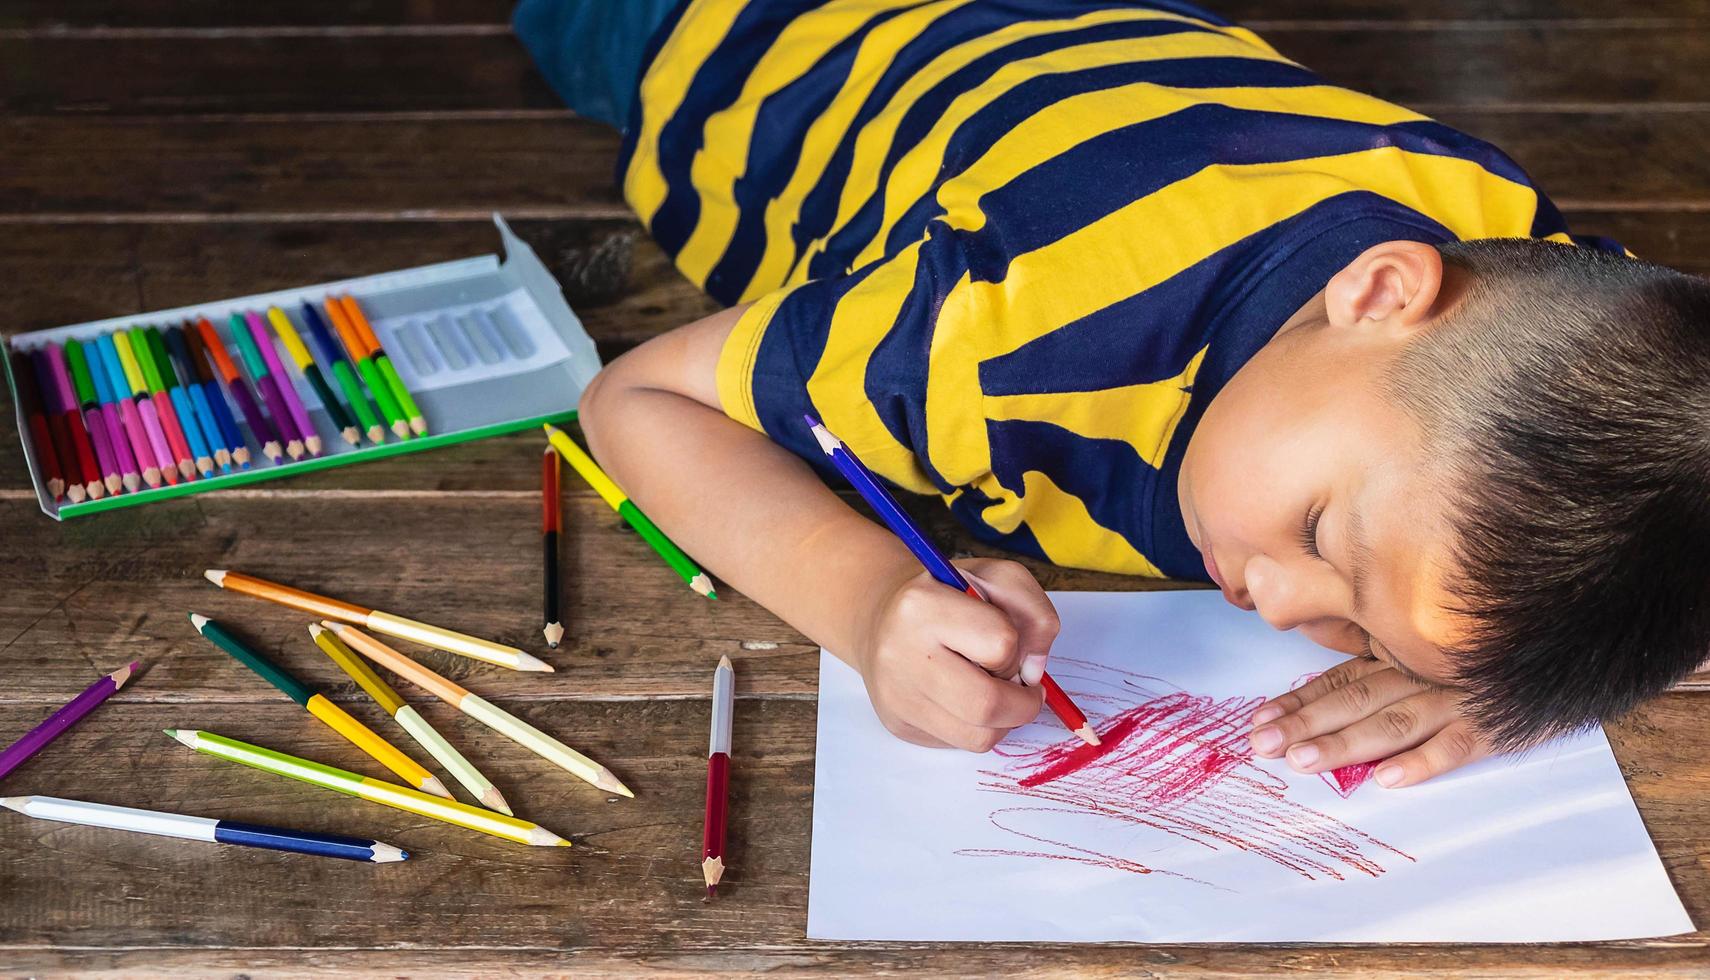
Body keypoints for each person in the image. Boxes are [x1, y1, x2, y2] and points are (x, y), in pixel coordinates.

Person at [516, 0, 1710, 788]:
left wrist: (1509, 674)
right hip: (723, 41)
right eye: (1319, 532)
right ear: (1379, 294)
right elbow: (635, 401)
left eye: (1355, 624)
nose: (1277, 606)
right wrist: (868, 601)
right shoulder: (991, 332)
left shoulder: (1555, 301)